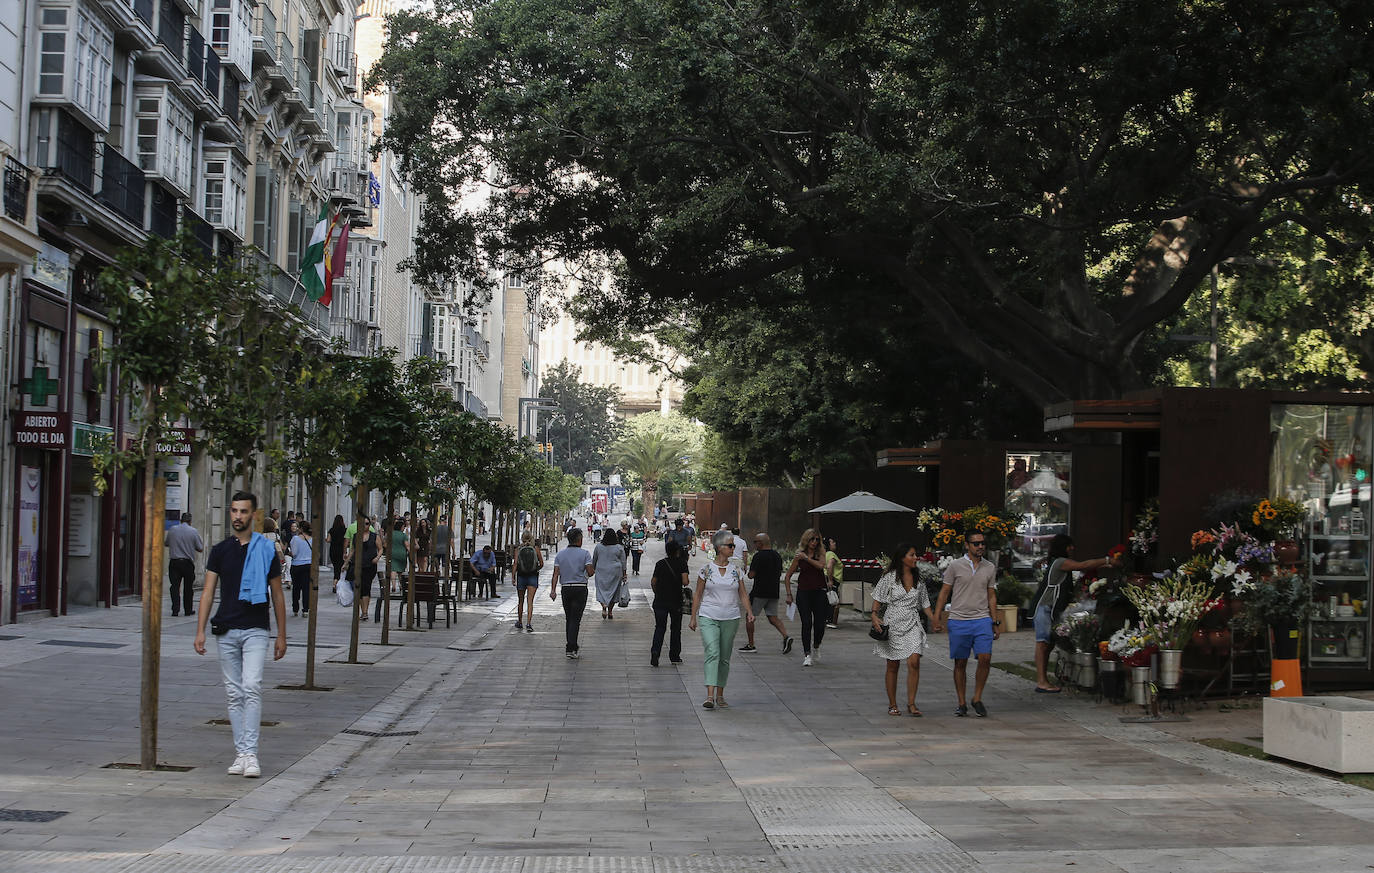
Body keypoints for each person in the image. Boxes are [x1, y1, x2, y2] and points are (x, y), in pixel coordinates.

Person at [193, 491, 286, 778]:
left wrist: (282, 635)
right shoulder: (220, 551)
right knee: (234, 693)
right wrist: (200, 630)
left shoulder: (266, 550)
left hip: (256, 629)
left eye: (243, 511)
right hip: (227, 629)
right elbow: (208, 591)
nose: (237, 516)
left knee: (252, 686)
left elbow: (277, 593)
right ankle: (241, 753)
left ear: (253, 515)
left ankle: (251, 754)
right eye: (234, 511)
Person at [1032, 534, 1116, 693]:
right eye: (1069, 545)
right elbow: (1083, 565)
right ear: (1063, 547)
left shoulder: (1057, 562)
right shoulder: (1060, 562)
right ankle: (1041, 681)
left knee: (1048, 644)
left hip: (1050, 608)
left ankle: (1043, 679)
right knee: (1043, 644)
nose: (1072, 548)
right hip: (1044, 607)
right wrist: (1107, 561)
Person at [933, 531, 1000, 717]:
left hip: (982, 619)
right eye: (976, 543)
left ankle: (977, 698)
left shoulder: (989, 567)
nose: (980, 547)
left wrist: (995, 622)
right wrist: (937, 617)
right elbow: (944, 592)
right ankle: (961, 702)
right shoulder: (955, 566)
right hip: (959, 620)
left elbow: (991, 596)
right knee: (960, 662)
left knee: (985, 658)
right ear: (967, 545)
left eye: (982, 543)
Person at [871, 544, 939, 716]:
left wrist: (934, 620)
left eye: (916, 555)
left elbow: (925, 604)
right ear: (902, 558)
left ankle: (911, 703)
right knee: (893, 664)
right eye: (912, 555)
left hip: (912, 622)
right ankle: (892, 704)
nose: (916, 558)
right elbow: (877, 599)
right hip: (893, 622)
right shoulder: (889, 578)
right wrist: (874, 615)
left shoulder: (919, 579)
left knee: (914, 661)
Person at [690, 530, 754, 709]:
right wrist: (693, 617)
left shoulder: (737, 570)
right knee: (713, 652)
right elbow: (698, 594)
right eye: (730, 545)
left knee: (724, 657)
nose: (734, 548)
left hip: (731, 617)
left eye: (733, 545)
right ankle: (709, 696)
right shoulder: (706, 570)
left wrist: (749, 612)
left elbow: (742, 594)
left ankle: (720, 694)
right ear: (719, 548)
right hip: (709, 615)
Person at [739, 532, 792, 653]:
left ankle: (751, 645)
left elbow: (751, 575)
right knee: (772, 617)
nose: (754, 544)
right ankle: (786, 636)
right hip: (774, 591)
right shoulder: (777, 556)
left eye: (755, 542)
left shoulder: (758, 556)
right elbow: (779, 573)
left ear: (761, 543)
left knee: (750, 616)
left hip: (759, 592)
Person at [784, 529, 830, 666]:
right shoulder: (799, 556)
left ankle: (816, 645)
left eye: (817, 539)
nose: (814, 542)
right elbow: (788, 576)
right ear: (806, 540)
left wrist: (807, 559)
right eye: (812, 539)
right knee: (806, 623)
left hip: (819, 592)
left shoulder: (820, 553)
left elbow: (821, 566)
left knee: (820, 624)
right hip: (804, 592)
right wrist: (788, 594)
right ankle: (807, 654)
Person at [549, 528, 594, 659]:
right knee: (576, 619)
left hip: (566, 588)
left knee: (569, 618)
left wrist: (553, 591)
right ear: (579, 540)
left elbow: (555, 574)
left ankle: (571, 645)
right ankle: (571, 647)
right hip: (580, 588)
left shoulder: (560, 555)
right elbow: (590, 572)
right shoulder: (585, 554)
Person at [650, 539, 690, 666]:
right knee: (675, 629)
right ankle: (674, 656)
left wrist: (657, 593)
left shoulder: (660, 563)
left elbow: (653, 582)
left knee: (660, 627)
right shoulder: (682, 563)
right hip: (676, 601)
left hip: (660, 600)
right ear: (678, 551)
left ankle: (655, 652)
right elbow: (685, 582)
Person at [165, 512, 204, 617]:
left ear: (181, 520)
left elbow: (166, 543)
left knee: (174, 587)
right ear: (190, 521)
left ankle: (175, 610)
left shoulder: (172, 529)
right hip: (187, 563)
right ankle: (188, 610)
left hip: (174, 562)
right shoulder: (193, 531)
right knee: (188, 588)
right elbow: (200, 548)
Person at [345, 516, 381, 622]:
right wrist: (346, 563)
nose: (365, 526)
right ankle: (363, 611)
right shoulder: (356, 536)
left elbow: (380, 549)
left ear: (369, 525)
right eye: (362, 524)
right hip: (357, 564)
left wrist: (377, 558)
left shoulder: (374, 536)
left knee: (366, 587)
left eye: (367, 524)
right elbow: (352, 550)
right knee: (359, 588)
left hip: (370, 565)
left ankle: (365, 612)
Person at [593, 528, 628, 619]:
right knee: (614, 591)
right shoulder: (619, 548)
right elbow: (623, 562)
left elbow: (594, 560)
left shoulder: (598, 547)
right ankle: (610, 611)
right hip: (615, 572)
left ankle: (604, 605)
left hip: (601, 571)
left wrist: (592, 569)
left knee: (601, 590)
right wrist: (624, 574)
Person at [514, 532, 543, 632]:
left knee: (520, 601)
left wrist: (513, 577)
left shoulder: (518, 549)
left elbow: (515, 564)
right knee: (530, 601)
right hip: (532, 576)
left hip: (521, 576)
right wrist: (535, 569)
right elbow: (541, 563)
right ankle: (529, 623)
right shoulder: (535, 548)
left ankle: (520, 621)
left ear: (522, 539)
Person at [288, 520, 314, 616]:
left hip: (297, 565)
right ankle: (306, 609)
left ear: (301, 529)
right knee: (306, 588)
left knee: (296, 588)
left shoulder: (295, 539)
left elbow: (294, 553)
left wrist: (290, 553)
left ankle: (295, 608)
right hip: (308, 565)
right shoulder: (312, 539)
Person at [824, 536, 844, 628]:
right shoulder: (831, 554)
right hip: (832, 580)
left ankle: (826, 620)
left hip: (825, 578)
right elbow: (829, 566)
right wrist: (831, 580)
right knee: (833, 601)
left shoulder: (825, 554)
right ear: (828, 545)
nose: (835, 543)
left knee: (827, 599)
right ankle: (831, 621)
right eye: (832, 542)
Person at [326, 515, 347, 588]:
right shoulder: (345, 530)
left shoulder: (331, 530)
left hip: (333, 550)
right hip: (341, 550)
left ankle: (335, 582)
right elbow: (346, 541)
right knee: (340, 567)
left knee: (336, 567)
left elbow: (328, 540)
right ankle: (336, 582)